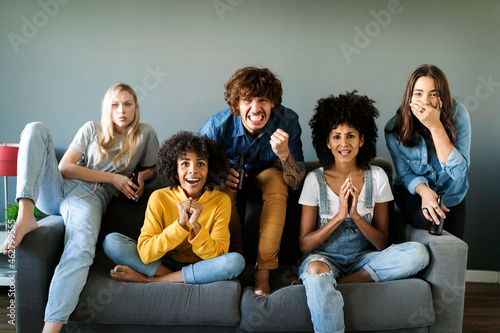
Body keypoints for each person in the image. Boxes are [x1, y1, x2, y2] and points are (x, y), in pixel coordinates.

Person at [1, 83, 159, 333]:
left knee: (80, 248)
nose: (122, 110)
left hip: (90, 199)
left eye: (128, 104)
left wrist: (142, 175)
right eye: (115, 104)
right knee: (35, 129)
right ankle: (26, 214)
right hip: (60, 188)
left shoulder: (145, 134)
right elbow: (64, 167)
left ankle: (49, 330)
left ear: (135, 108)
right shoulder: (92, 129)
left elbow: (153, 166)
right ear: (107, 108)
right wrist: (114, 178)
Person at [298, 91, 430, 333]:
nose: (344, 143)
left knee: (419, 253)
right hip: (325, 259)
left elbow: (382, 244)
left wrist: (356, 215)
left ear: (361, 140)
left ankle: (338, 283)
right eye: (336, 136)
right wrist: (339, 216)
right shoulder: (313, 180)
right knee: (315, 269)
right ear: (327, 142)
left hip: (365, 260)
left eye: (350, 136)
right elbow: (305, 246)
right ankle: (327, 284)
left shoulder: (377, 177)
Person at [199, 67, 306, 296]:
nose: (255, 108)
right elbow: (194, 174)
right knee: (220, 189)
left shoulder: (288, 121)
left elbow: (296, 182)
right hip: (231, 178)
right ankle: (236, 261)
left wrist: (285, 155)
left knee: (278, 184)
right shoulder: (216, 126)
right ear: (236, 104)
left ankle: (263, 272)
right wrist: (218, 173)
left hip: (268, 174)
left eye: (263, 100)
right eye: (247, 100)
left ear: (273, 104)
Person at [104, 131, 245, 284]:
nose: (193, 170)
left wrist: (196, 227)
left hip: (203, 266)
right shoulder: (159, 197)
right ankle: (177, 277)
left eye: (201, 164)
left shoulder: (221, 200)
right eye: (185, 164)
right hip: (166, 263)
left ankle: (151, 280)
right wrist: (179, 226)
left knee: (236, 262)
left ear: (209, 170)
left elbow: (218, 255)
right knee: (111, 242)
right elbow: (145, 254)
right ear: (175, 171)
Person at [385, 64, 471, 239]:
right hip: (414, 193)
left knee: (452, 248)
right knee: (428, 220)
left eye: (434, 94)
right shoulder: (394, 128)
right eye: (418, 93)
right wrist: (424, 191)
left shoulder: (458, 115)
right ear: (409, 96)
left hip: (451, 196)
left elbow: (458, 172)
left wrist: (435, 126)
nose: (425, 101)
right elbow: (404, 174)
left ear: (442, 97)